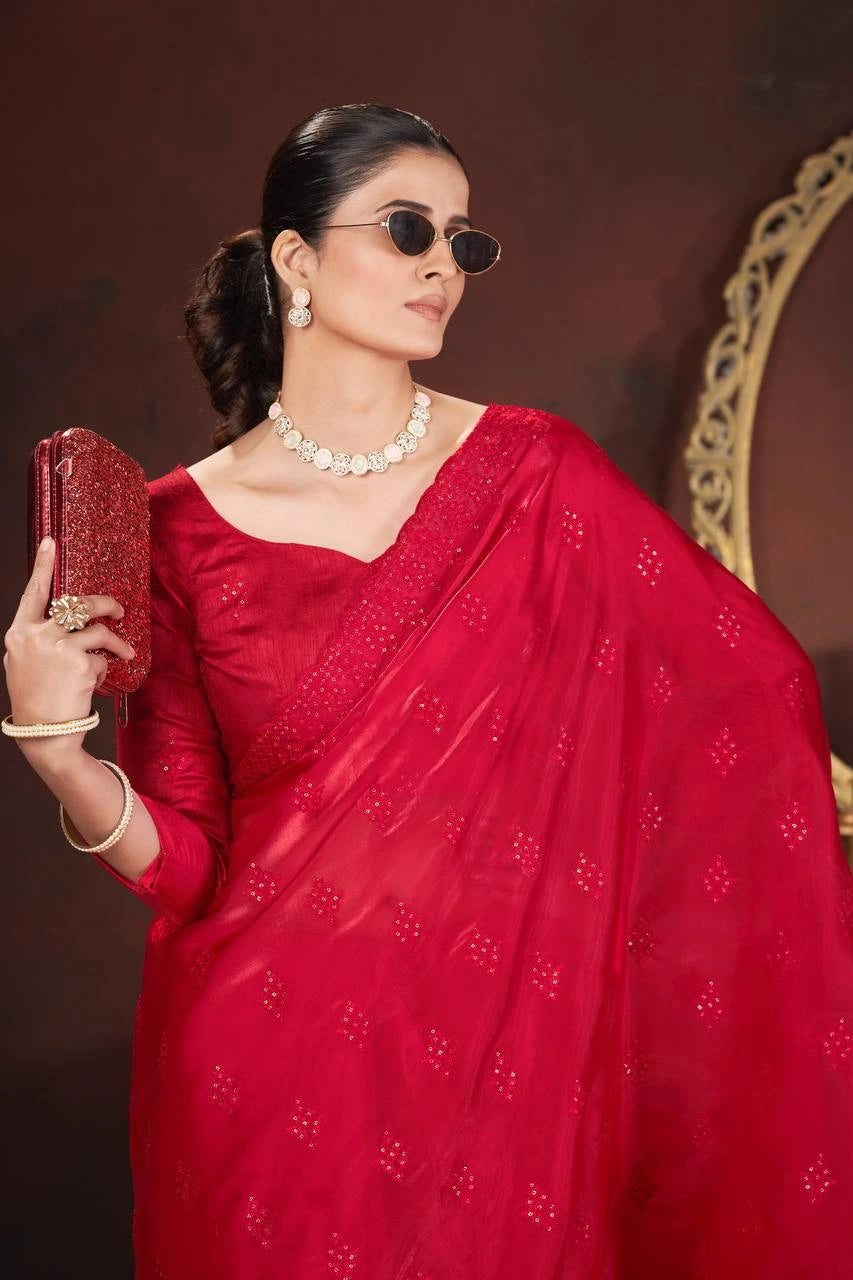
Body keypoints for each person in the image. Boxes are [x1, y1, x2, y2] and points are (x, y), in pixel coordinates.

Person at [4, 102, 853, 1280]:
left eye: (464, 241)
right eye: (409, 229)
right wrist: (56, 747)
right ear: (295, 259)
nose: (443, 266)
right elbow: (188, 863)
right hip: (265, 1081)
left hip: (503, 1073)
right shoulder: (170, 529)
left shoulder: (536, 476)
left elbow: (747, 686)